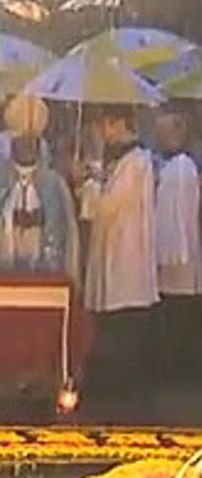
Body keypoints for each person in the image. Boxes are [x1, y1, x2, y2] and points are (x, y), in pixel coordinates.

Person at [80, 107, 158, 407]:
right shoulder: (125, 160)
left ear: (118, 123)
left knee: (123, 329)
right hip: (113, 256)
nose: (101, 131)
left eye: (104, 125)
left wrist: (90, 183)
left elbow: (108, 207)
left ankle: (123, 393)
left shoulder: (137, 161)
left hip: (126, 261)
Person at [0, 95, 79, 282]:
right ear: (12, 143)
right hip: (1, 271)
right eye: (21, 141)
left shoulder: (54, 184)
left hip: (44, 275)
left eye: (31, 141)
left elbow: (65, 236)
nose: (26, 146)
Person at [153, 107, 202, 386]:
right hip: (171, 259)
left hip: (179, 258)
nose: (157, 138)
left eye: (161, 132)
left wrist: (172, 253)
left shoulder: (182, 168)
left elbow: (178, 216)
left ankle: (178, 376)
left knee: (179, 321)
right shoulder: (170, 166)